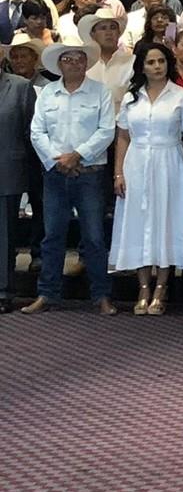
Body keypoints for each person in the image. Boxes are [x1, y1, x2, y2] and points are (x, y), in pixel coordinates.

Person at [23, 39, 116, 316]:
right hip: (54, 175)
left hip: (90, 174)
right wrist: (59, 160)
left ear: (86, 63)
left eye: (79, 59)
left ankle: (101, 296)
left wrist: (77, 155)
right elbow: (36, 132)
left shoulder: (101, 92)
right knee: (52, 236)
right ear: (59, 64)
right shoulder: (47, 94)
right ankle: (47, 294)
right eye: (68, 59)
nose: (74, 63)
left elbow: (107, 130)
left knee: (95, 237)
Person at [110, 43, 183, 316]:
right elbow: (122, 136)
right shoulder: (130, 97)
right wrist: (118, 172)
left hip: (169, 163)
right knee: (138, 223)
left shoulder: (182, 96)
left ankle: (162, 287)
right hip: (136, 163)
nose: (157, 67)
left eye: (161, 61)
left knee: (167, 222)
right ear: (141, 67)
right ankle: (143, 286)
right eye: (151, 62)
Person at [0, 68, 36, 314]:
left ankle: (3, 291)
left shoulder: (21, 86)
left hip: (7, 169)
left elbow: (29, 130)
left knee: (3, 236)